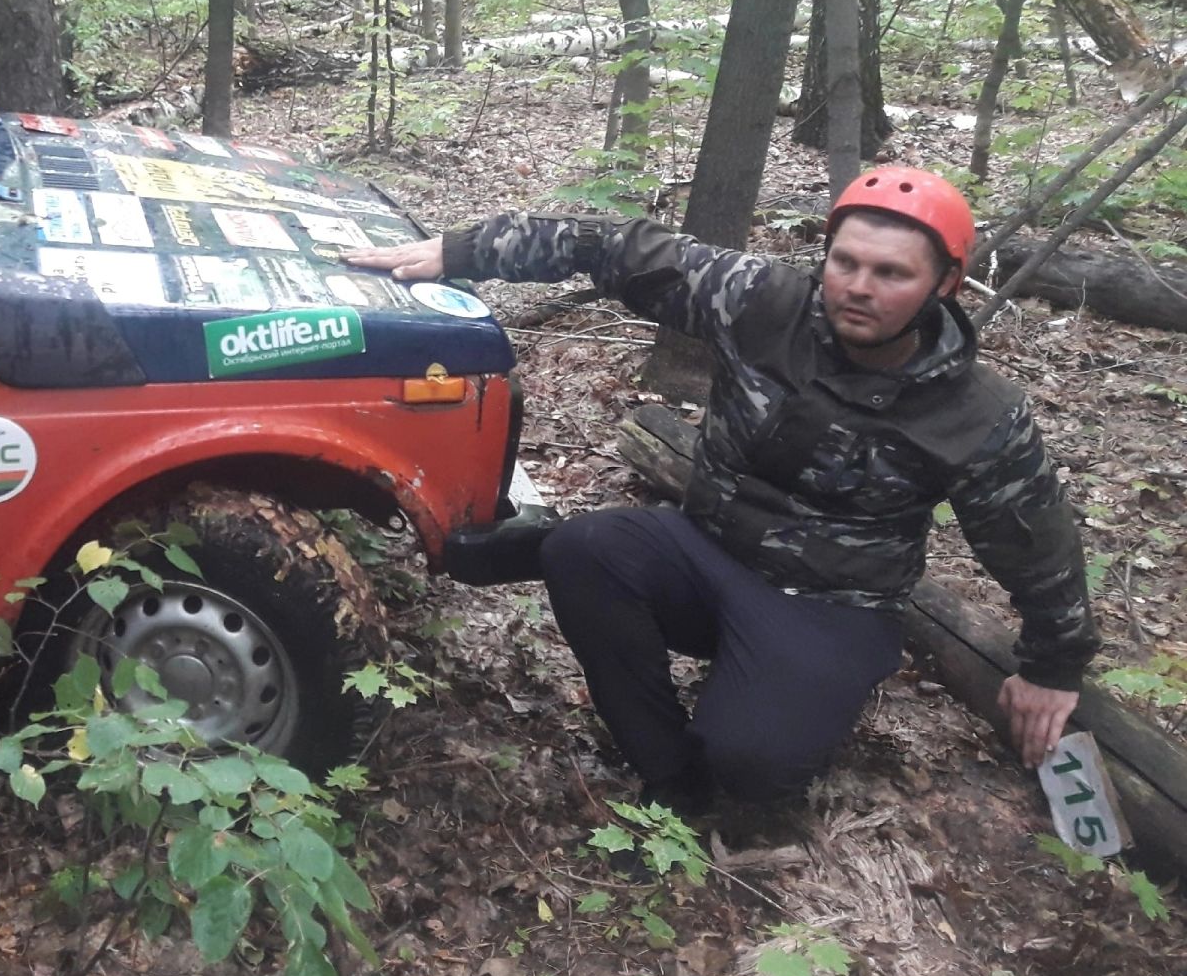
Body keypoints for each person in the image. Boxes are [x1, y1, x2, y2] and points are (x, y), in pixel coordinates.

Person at [346, 167, 1097, 812]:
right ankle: (670, 777)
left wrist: (1052, 669)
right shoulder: (764, 302)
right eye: (845, 263)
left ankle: (755, 728)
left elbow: (1036, 543)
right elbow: (614, 248)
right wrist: (462, 250)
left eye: (892, 274)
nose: (858, 288)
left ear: (946, 284)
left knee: (752, 765)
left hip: (833, 607)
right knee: (585, 549)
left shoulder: (975, 413)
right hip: (708, 551)